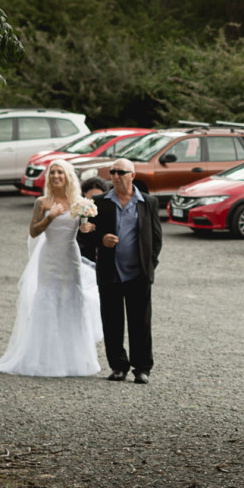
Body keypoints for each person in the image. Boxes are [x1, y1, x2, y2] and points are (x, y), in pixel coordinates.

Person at [0, 159, 102, 377]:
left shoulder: (79, 202)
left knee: (72, 299)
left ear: (68, 176)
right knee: (48, 300)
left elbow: (82, 227)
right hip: (49, 257)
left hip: (70, 258)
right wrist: (50, 218)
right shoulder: (42, 202)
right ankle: (45, 359)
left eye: (60, 172)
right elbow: (33, 232)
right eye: (53, 173)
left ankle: (76, 360)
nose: (56, 176)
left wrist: (87, 227)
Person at [81, 157, 162, 384]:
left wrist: (149, 266)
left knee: (141, 323)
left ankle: (142, 368)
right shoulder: (99, 201)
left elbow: (156, 239)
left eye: (121, 172)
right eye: (113, 172)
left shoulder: (148, 202)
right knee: (112, 321)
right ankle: (118, 366)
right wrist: (101, 238)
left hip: (138, 274)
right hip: (110, 272)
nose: (116, 176)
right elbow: (84, 234)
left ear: (132, 176)